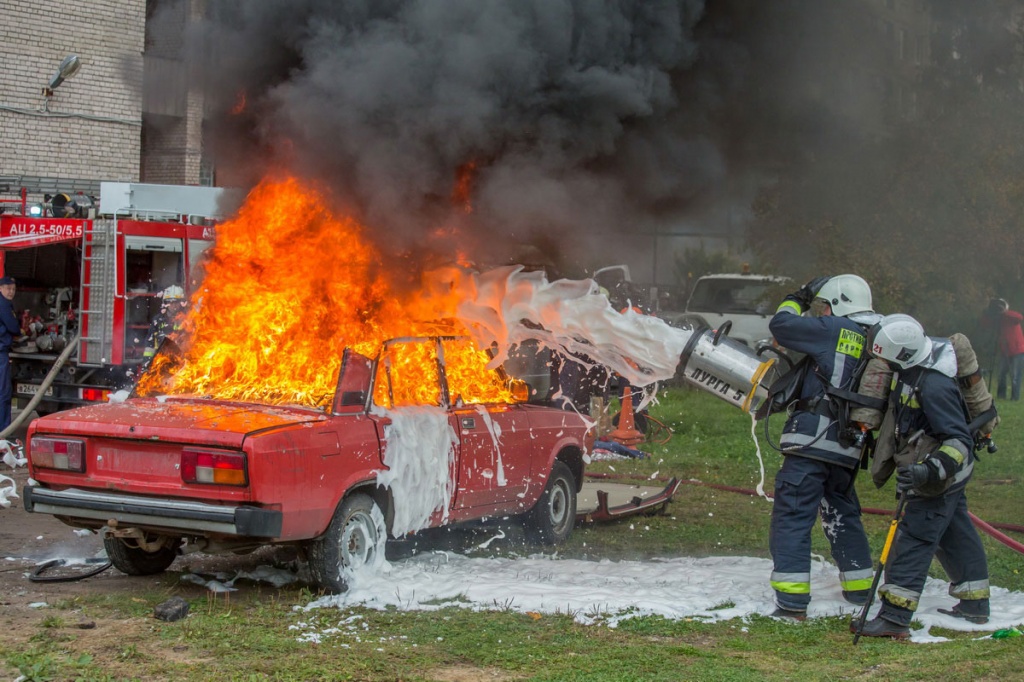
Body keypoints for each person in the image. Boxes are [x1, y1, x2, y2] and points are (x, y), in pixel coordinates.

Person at [856, 313, 989, 638]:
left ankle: (895, 617)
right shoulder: (910, 370)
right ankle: (975, 603)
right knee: (955, 533)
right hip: (940, 474)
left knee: (913, 540)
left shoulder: (933, 385)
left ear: (900, 353)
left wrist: (925, 472)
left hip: (938, 476)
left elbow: (958, 441)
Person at [766, 274, 877, 619]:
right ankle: (860, 589)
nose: (823, 312)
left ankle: (792, 603)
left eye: (825, 306)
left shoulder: (833, 329)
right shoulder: (874, 336)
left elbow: (782, 325)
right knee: (841, 513)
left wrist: (797, 298)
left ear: (840, 305)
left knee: (793, 515)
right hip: (849, 447)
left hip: (812, 440)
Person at [981, 298, 1024, 400]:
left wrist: (1005, 312)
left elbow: (1020, 317)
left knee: (1015, 376)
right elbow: (985, 324)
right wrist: (986, 313)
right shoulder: (997, 319)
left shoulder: (1010, 316)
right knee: (1001, 375)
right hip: (1005, 351)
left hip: (1018, 350)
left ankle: (1014, 398)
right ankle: (1001, 396)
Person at [0, 276, 22, 432]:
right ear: (0, 289)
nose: (11, 292)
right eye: (8, 288)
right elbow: (13, 327)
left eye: (13, 289)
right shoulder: (4, 305)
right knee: (3, 394)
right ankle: (3, 431)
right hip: (1, 353)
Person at [143, 285, 188, 360]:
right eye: (170, 302)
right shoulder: (158, 320)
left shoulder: (187, 320)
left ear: (182, 303)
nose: (174, 305)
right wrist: (147, 362)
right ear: (165, 303)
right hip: (160, 359)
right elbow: (150, 344)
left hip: (181, 360)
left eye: (176, 302)